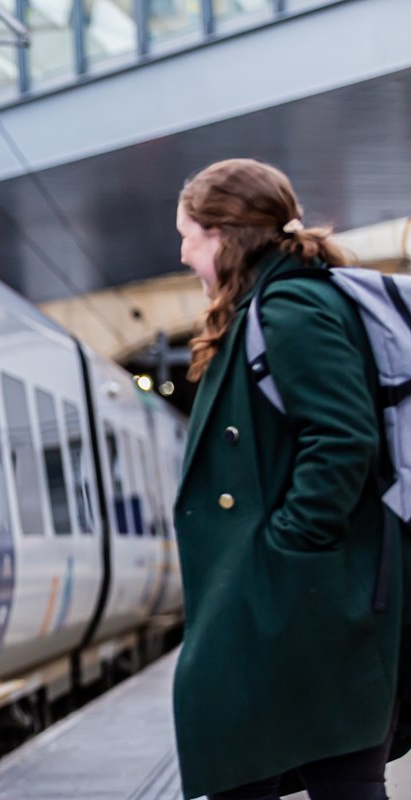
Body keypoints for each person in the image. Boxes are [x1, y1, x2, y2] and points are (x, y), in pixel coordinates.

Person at [172, 158, 406, 800]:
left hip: (310, 601)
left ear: (221, 235)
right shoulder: (272, 303)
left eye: (188, 236)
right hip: (310, 601)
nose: (185, 255)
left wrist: (286, 547)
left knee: (321, 781)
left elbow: (341, 435)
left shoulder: (290, 306)